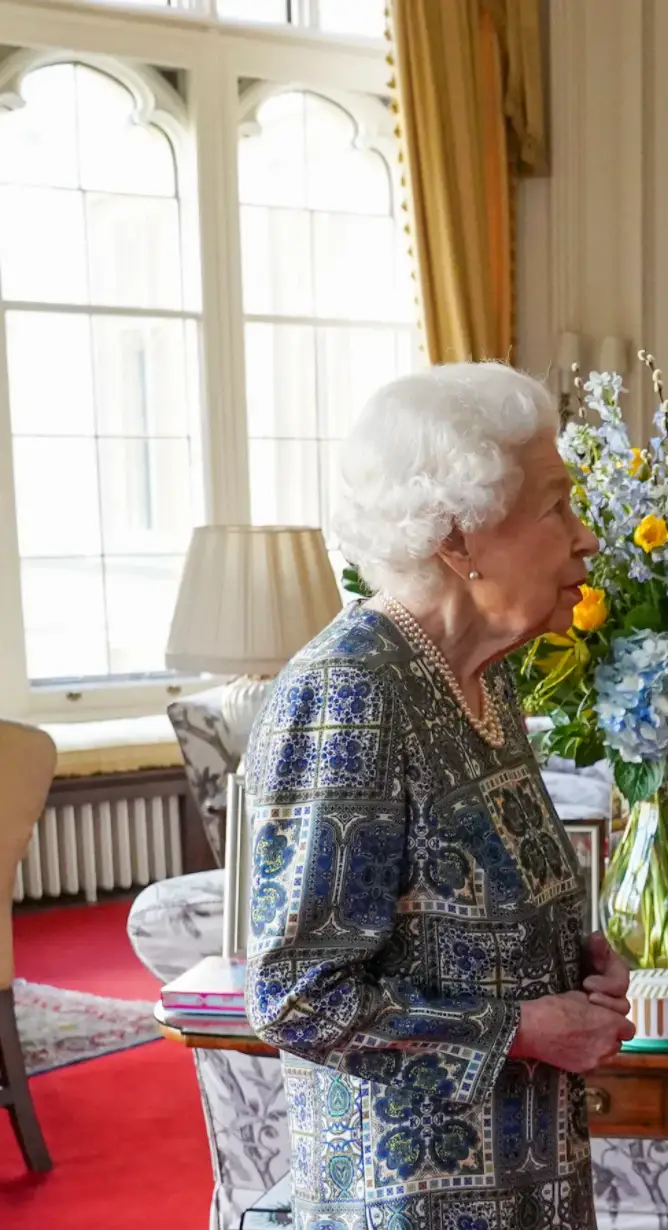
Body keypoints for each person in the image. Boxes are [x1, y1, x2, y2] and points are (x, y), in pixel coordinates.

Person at [243, 362, 631, 1230]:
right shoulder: (352, 693)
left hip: (524, 1179)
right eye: (556, 506)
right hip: (408, 1198)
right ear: (460, 540)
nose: (585, 538)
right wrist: (524, 1028)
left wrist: (578, 961)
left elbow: (454, 919)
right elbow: (298, 996)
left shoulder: (482, 683)